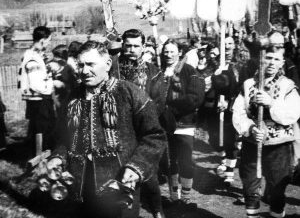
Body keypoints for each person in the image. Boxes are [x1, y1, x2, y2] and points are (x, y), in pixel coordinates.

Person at [51, 41, 166, 218]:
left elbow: (154, 136)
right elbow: (62, 138)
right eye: (81, 65)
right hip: (81, 187)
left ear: (107, 64)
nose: (84, 70)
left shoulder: (129, 93)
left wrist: (136, 167)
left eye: (90, 64)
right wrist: (58, 157)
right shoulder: (72, 97)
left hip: (120, 185)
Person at [232, 48, 300, 218]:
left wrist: (271, 104)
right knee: (250, 188)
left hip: (279, 146)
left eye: (276, 59)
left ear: (282, 63)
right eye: (268, 58)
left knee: (277, 190)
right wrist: (251, 129)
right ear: (261, 60)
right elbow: (238, 112)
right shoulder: (248, 85)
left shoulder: (287, 86)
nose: (271, 63)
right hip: (252, 144)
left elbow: (294, 113)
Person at [118, 29, 166, 218]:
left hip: (144, 132)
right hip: (118, 132)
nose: (131, 50)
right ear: (122, 45)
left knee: (149, 176)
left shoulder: (153, 73)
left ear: (143, 47)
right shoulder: (113, 70)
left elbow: (158, 104)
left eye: (135, 46)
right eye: (127, 45)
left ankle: (157, 211)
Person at [160, 39, 205, 208]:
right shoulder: (159, 72)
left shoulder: (188, 71)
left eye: (172, 51)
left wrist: (172, 109)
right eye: (166, 51)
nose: (169, 55)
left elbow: (195, 97)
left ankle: (185, 196)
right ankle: (173, 196)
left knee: (185, 160)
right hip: (164, 124)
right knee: (169, 160)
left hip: (184, 123)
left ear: (179, 53)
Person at [208, 36, 241, 185]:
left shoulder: (239, 64)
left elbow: (241, 87)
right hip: (215, 106)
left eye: (230, 44)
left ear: (234, 45)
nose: (227, 47)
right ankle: (223, 159)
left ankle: (229, 171)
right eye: (224, 44)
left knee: (231, 139)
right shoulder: (215, 63)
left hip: (233, 107)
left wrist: (229, 102)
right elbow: (207, 84)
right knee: (215, 138)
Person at [18, 26, 55, 156]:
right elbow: (36, 84)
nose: (49, 43)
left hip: (38, 98)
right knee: (42, 130)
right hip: (39, 99)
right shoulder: (32, 57)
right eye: (49, 40)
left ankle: (41, 156)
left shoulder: (35, 54)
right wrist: (50, 85)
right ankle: (40, 158)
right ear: (43, 40)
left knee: (40, 129)